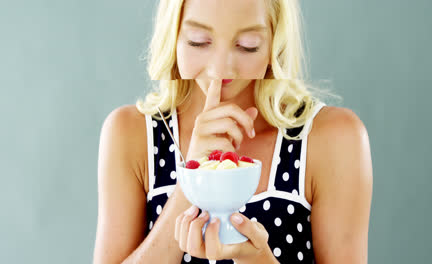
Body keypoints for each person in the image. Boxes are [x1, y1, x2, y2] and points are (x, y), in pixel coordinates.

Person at [93, 0, 373, 263]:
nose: (220, 69)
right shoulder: (131, 134)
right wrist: (191, 180)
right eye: (199, 42)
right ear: (174, 35)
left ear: (275, 43)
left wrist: (259, 258)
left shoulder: (332, 137)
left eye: (247, 46)